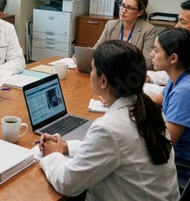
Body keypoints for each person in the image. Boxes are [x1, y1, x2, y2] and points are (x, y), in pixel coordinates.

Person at [39, 40, 179, 200]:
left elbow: (67, 183)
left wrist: (53, 155)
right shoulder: (148, 107)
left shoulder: (109, 128)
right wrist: (65, 147)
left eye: (92, 69)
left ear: (104, 81)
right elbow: (116, 150)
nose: (90, 73)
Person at [149, 28, 190, 175]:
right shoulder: (182, 77)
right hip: (177, 158)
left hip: (183, 167)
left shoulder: (186, 91)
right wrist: (124, 97)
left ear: (173, 58)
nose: (151, 54)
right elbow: (156, 99)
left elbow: (165, 144)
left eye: (156, 50)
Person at [147, 0, 190, 89]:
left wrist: (148, 79)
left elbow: (183, 78)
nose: (176, 26)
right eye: (178, 20)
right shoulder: (186, 45)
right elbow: (173, 70)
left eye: (182, 22)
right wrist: (148, 77)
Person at [93, 0, 156, 69]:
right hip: (110, 70)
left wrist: (119, 64)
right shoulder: (111, 25)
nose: (123, 10)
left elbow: (148, 62)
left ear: (140, 12)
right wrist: (85, 56)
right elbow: (96, 49)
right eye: (122, 5)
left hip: (130, 74)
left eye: (129, 8)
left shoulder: (148, 30)